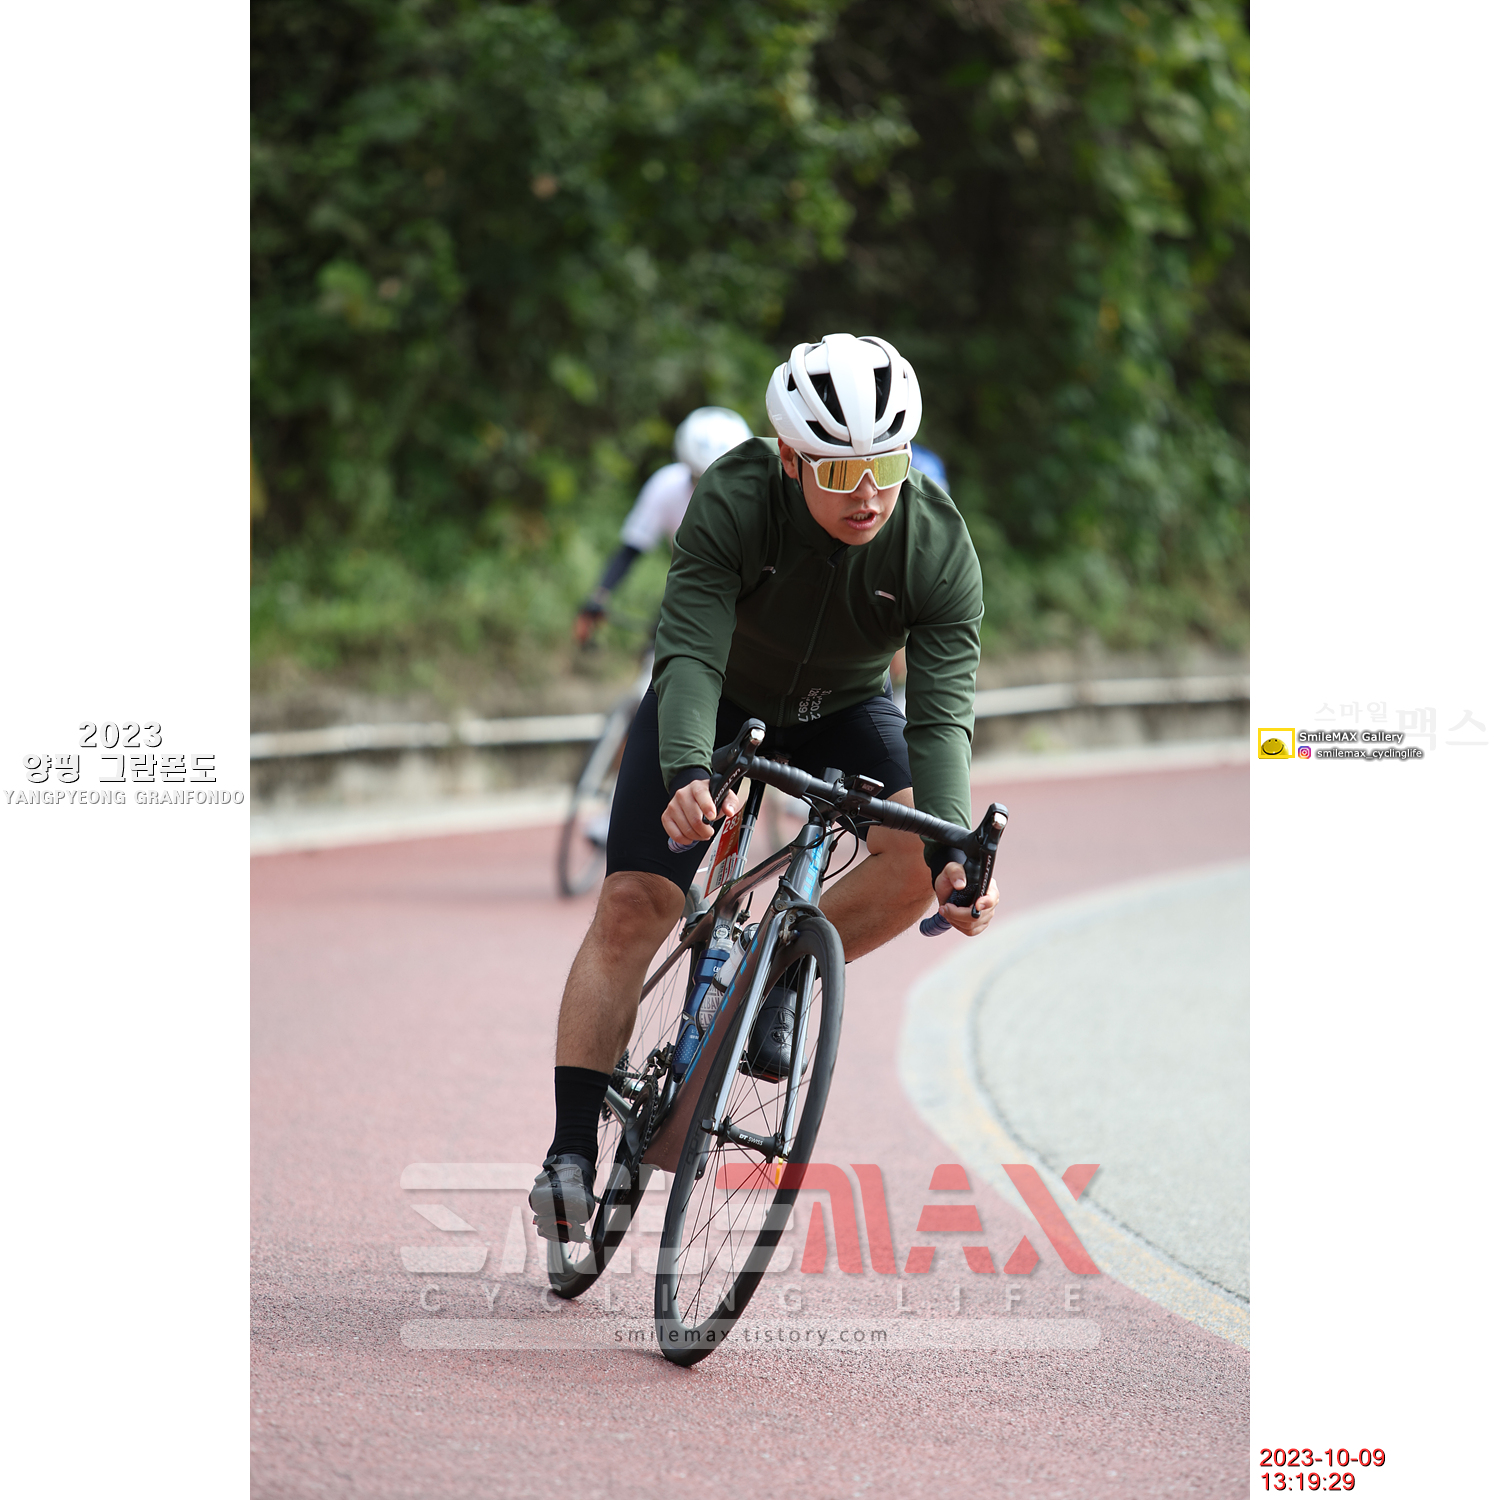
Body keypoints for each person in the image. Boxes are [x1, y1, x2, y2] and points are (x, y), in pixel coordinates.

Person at [531, 333, 997, 1240]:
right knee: (633, 903)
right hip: (716, 697)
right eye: (841, 472)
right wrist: (685, 771)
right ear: (790, 458)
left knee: (916, 856)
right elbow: (690, 651)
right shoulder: (735, 497)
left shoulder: (936, 544)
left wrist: (950, 853)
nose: (868, 494)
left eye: (887, 465)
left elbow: (942, 719)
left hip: (845, 707)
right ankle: (571, 1149)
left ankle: (779, 966)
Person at [573, 406, 754, 644]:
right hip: (690, 590)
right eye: (698, 477)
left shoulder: (753, 502)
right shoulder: (667, 486)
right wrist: (598, 598)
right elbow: (631, 549)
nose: (706, 489)